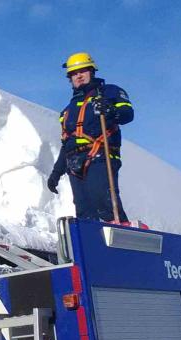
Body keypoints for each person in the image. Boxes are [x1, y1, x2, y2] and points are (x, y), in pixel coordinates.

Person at [47, 52, 134, 223]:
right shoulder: (67, 111)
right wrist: (56, 173)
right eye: (73, 74)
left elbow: (127, 114)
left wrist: (110, 110)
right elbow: (67, 144)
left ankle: (122, 235)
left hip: (101, 157)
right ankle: (91, 243)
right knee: (84, 209)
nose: (78, 76)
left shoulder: (109, 92)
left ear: (92, 72)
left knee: (104, 200)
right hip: (74, 162)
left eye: (82, 71)